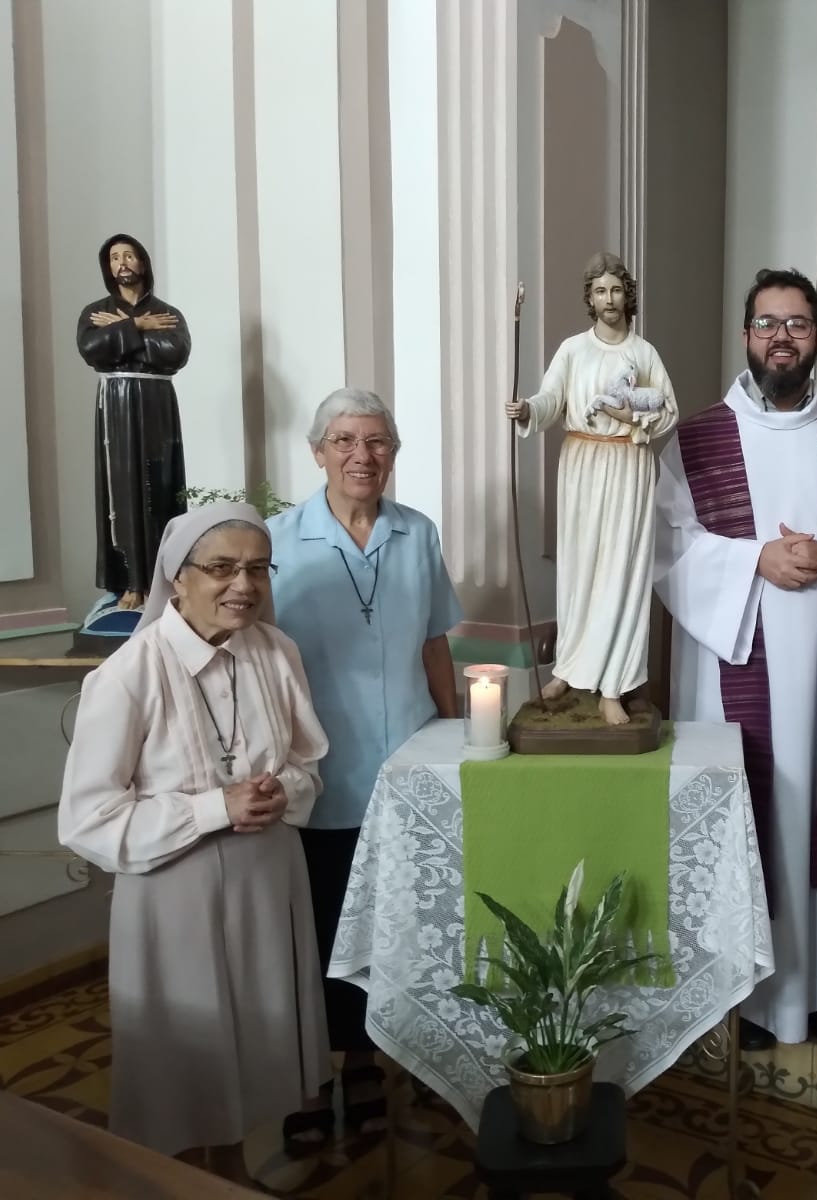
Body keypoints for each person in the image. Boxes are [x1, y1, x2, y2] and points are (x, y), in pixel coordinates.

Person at [654, 267, 817, 1050]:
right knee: (743, 811)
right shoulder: (696, 442)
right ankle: (740, 996)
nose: (782, 338)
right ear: (746, 337)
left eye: (797, 325)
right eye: (767, 323)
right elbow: (667, 542)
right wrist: (752, 564)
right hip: (728, 661)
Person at [58, 503, 330, 1183]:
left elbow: (307, 763)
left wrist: (281, 793)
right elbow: (89, 818)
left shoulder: (277, 651)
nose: (244, 584)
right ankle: (182, 1179)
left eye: (258, 569)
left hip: (267, 876)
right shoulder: (126, 676)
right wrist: (215, 807)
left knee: (256, 1036)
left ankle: (233, 1168)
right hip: (173, 891)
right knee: (189, 1051)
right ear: (176, 579)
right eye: (222, 568)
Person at [267, 388, 464, 1146]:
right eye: (345, 441)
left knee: (398, 926)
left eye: (377, 442)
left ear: (392, 453)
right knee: (317, 930)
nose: (362, 455)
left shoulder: (418, 534)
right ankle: (308, 1076)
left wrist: (454, 739)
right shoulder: (279, 541)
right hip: (322, 772)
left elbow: (435, 643)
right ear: (317, 452)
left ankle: (365, 1062)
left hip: (410, 770)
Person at [504, 252, 679, 726]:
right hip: (582, 464)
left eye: (616, 290)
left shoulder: (643, 354)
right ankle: (569, 668)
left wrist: (632, 419)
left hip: (627, 464)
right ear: (589, 298)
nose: (609, 299)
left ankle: (614, 685)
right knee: (580, 567)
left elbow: (668, 411)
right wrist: (528, 411)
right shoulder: (573, 350)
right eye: (600, 291)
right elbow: (552, 398)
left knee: (622, 570)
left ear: (628, 295)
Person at [76, 233, 191, 610]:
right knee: (121, 488)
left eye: (129, 256)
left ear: (142, 263)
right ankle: (130, 582)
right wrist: (139, 328)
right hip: (116, 405)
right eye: (114, 258)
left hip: (156, 404)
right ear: (108, 268)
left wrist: (120, 334)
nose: (121, 263)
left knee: (158, 486)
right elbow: (93, 350)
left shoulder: (168, 313)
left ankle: (162, 579)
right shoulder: (95, 312)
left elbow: (174, 352)